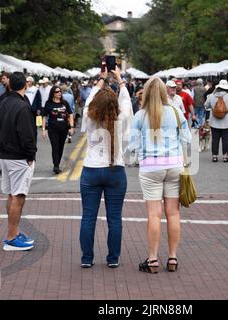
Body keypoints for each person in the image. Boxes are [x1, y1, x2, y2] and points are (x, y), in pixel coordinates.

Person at [128, 77, 191, 273]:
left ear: (145, 94)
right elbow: (187, 138)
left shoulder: (140, 115)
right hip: (174, 165)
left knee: (154, 214)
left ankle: (153, 258)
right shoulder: (175, 112)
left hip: (150, 167)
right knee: (173, 213)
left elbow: (132, 145)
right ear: (165, 93)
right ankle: (172, 258)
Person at [79, 66, 133, 268]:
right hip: (115, 170)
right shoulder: (121, 119)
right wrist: (119, 79)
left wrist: (100, 81)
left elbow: (88, 102)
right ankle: (113, 259)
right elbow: (126, 102)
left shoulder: (88, 117)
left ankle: (87, 258)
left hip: (91, 170)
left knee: (88, 216)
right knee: (115, 218)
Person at [0, 72, 37, 252]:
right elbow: (27, 135)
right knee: (18, 196)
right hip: (18, 157)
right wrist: (31, 155)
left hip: (4, 154)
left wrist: (0, 147)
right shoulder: (22, 106)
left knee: (11, 194)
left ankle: (13, 233)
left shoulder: (2, 102)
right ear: (25, 85)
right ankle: (11, 237)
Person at [41, 85, 74, 174]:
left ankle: (57, 163)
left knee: (61, 147)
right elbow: (44, 117)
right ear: (53, 93)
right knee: (55, 147)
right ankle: (56, 166)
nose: (59, 93)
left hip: (64, 129)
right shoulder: (48, 104)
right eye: (57, 91)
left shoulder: (65, 103)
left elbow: (70, 114)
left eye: (60, 91)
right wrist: (44, 129)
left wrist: (71, 127)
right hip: (53, 129)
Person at [204, 80, 228, 162]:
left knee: (215, 139)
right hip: (227, 122)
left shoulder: (211, 96)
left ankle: (214, 156)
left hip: (214, 122)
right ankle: (225, 156)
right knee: (226, 139)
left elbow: (206, 105)